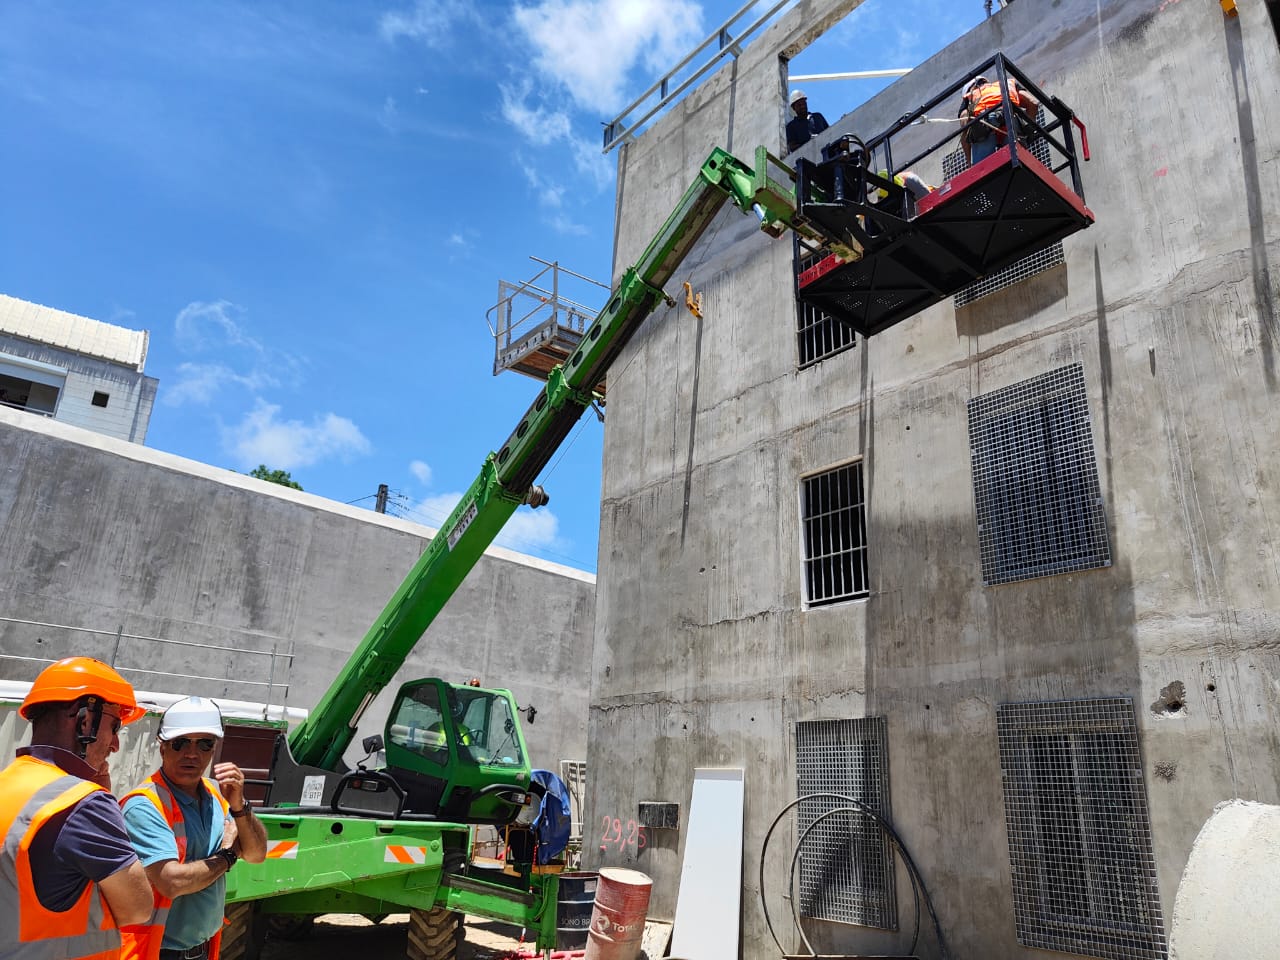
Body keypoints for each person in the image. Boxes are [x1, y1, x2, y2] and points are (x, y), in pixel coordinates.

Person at [0, 657, 154, 960]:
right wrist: (103, 806)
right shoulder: (85, 804)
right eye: (115, 726)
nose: (115, 746)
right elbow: (138, 907)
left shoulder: (8, 784)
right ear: (85, 721)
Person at [120, 697, 267, 960]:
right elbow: (171, 882)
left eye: (204, 744)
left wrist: (240, 806)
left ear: (214, 749)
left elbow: (256, 854)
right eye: (181, 743)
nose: (192, 753)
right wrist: (229, 855)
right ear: (162, 747)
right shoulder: (144, 806)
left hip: (203, 948)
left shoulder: (216, 795)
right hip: (157, 951)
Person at [958, 73, 1039, 165]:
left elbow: (964, 124)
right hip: (1011, 122)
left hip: (985, 125)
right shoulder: (1007, 84)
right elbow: (1034, 103)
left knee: (983, 172)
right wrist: (1028, 130)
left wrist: (969, 162)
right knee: (1020, 164)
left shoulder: (970, 95)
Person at [786, 89, 830, 153]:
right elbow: (792, 147)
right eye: (799, 105)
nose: (803, 106)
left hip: (825, 153)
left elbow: (830, 133)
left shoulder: (818, 117)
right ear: (793, 108)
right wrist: (809, 143)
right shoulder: (791, 126)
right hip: (806, 159)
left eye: (804, 103)